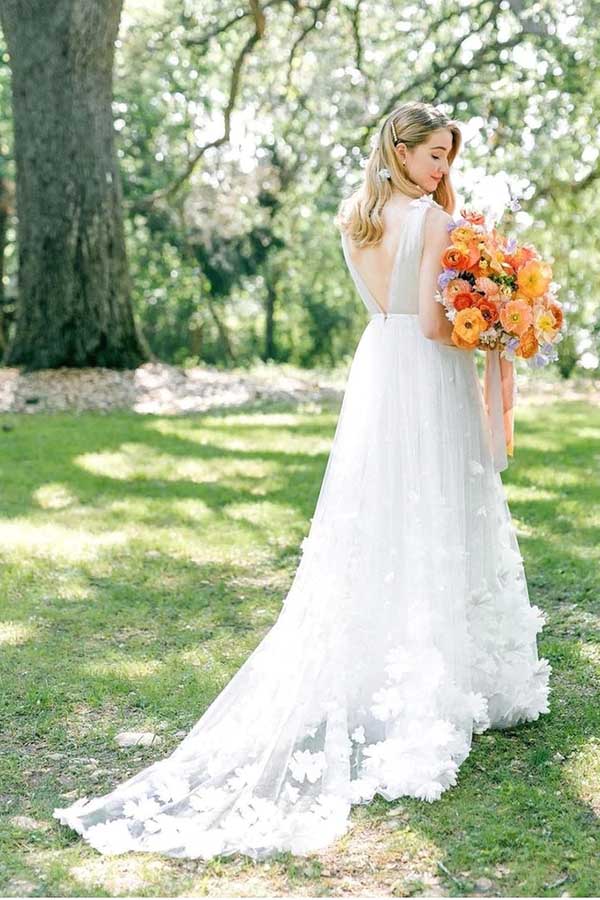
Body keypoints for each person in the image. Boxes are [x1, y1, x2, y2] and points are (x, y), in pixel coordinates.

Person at [53, 100, 551, 861]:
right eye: (434, 155)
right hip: (424, 375)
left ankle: (397, 665)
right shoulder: (437, 224)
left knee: (385, 513)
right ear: (401, 148)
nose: (443, 169)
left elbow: (390, 316)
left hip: (378, 376)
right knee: (440, 510)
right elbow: (429, 325)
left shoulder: (356, 218)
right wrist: (498, 327)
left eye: (448, 157)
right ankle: (441, 679)